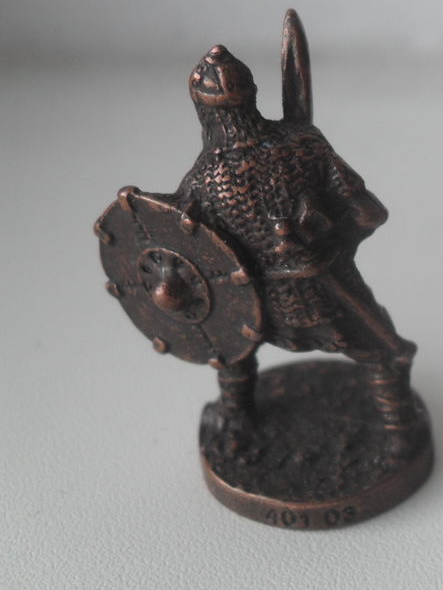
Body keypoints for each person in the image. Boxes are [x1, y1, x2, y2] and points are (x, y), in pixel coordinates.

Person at [177, 44, 417, 450]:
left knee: (232, 348)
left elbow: (187, 242)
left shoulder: (204, 180)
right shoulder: (304, 144)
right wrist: (332, 243)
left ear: (202, 109)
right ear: (251, 95)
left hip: (250, 301)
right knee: (382, 352)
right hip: (324, 285)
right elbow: (367, 212)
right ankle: (399, 431)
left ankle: (235, 419)